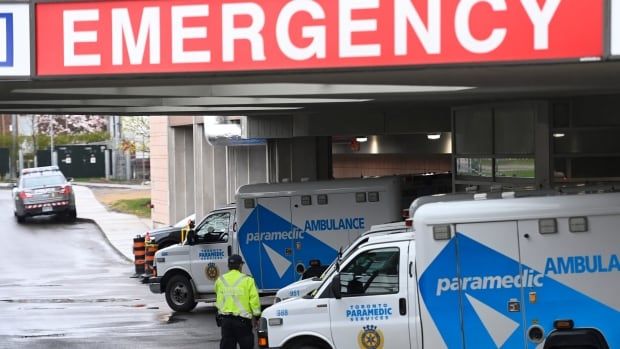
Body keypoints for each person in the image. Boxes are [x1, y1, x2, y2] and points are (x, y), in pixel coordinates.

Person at [214, 254, 261, 349]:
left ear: (228, 266)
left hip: (225, 322)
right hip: (242, 323)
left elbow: (218, 299)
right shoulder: (248, 280)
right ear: (240, 265)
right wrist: (257, 317)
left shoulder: (220, 280)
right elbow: (254, 301)